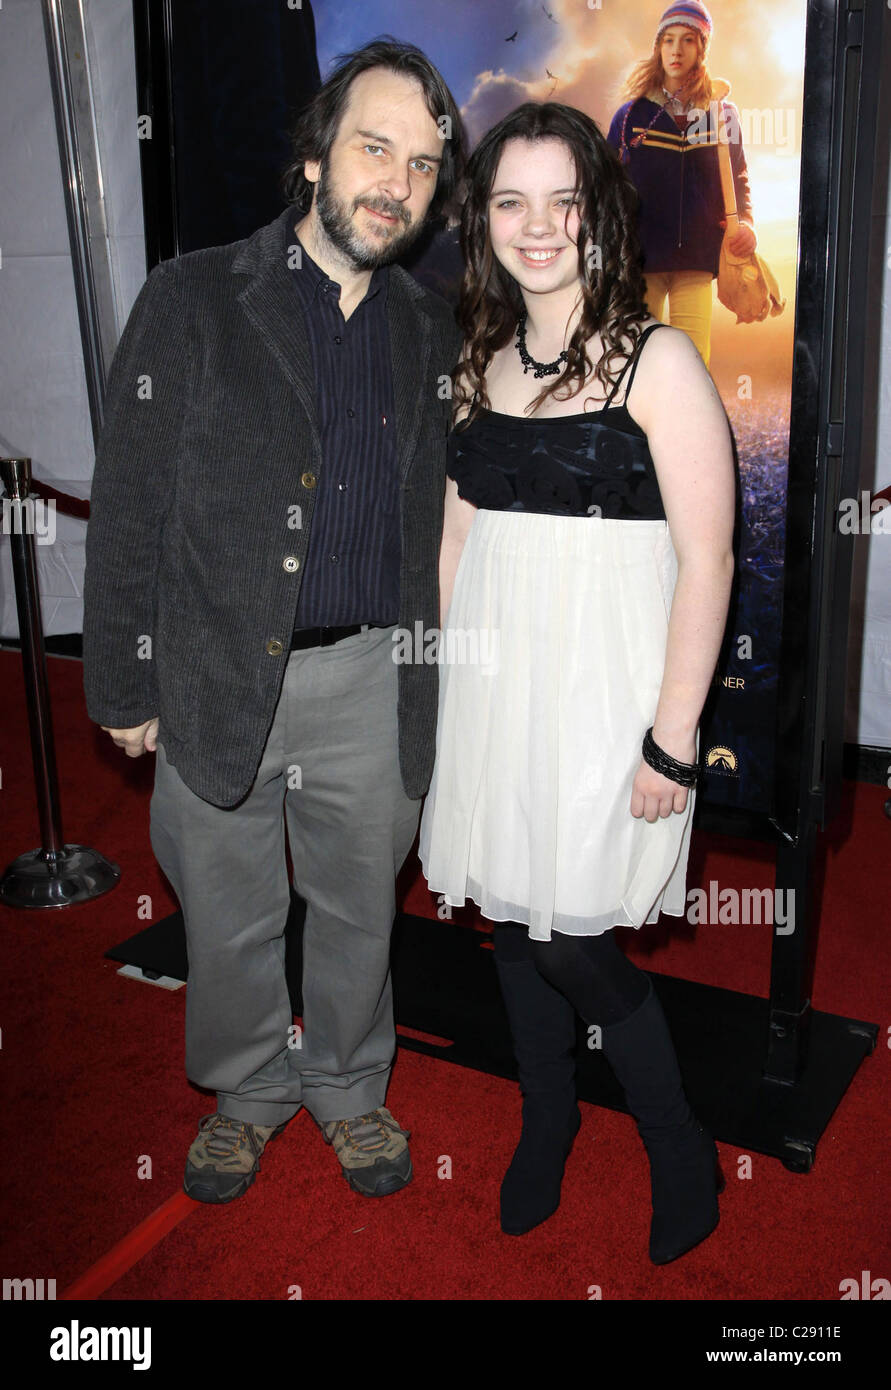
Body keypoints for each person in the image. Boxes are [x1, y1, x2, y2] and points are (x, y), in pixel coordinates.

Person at [82, 39, 465, 1204]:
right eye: (373, 146)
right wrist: (122, 684)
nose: (395, 181)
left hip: (366, 678)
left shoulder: (429, 327)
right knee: (231, 914)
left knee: (358, 907)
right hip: (212, 670)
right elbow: (131, 502)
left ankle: (349, 1085)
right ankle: (248, 1090)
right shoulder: (194, 296)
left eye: (422, 164)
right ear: (313, 158)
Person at [417, 100, 736, 1264]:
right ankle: (543, 1119)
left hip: (610, 699)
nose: (536, 225)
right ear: (484, 219)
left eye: (562, 200)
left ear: (598, 216)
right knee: (513, 916)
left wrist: (672, 737)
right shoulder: (481, 358)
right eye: (511, 201)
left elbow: (709, 557)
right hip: (500, 691)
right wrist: (457, 692)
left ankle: (678, 1142)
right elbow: (458, 541)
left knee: (576, 939)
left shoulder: (659, 360)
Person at [606, 0, 757, 369]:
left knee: (692, 365)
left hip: (696, 259)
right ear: (658, 47)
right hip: (640, 260)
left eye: (688, 40)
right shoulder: (630, 116)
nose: (676, 50)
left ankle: (684, 428)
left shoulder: (723, 114)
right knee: (634, 363)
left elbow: (738, 176)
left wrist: (748, 223)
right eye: (668, 40)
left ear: (702, 48)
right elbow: (605, 186)